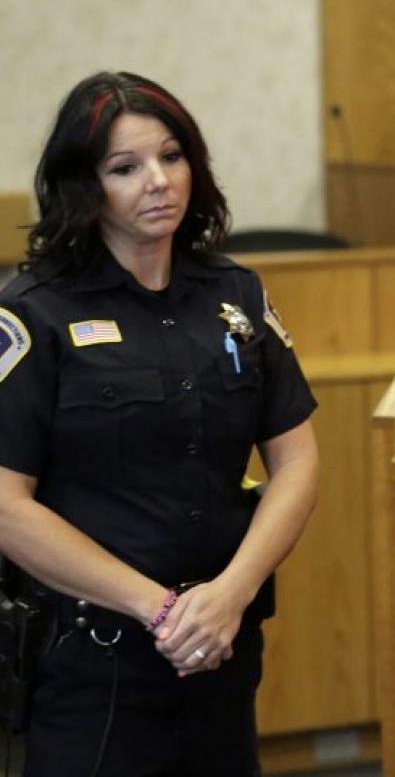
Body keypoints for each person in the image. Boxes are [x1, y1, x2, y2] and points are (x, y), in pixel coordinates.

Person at [0, 72, 320, 777]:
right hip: (97, 662)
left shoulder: (233, 294)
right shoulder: (33, 312)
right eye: (125, 167)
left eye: (172, 158)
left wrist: (231, 593)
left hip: (224, 647)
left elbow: (296, 462)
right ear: (85, 185)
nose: (158, 182)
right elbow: (4, 504)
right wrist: (162, 612)